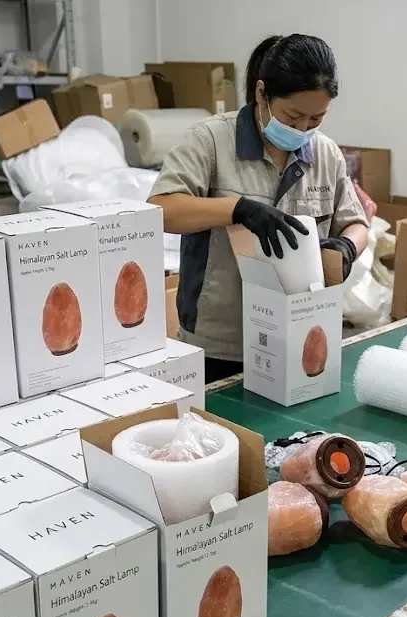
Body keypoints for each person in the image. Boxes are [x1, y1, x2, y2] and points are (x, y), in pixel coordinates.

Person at [148, 34, 369, 384]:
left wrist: (348, 246)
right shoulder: (210, 142)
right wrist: (237, 209)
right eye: (293, 116)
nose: (301, 129)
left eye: (316, 120)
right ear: (262, 94)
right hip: (221, 343)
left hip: (300, 333)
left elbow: (356, 224)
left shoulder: (326, 154)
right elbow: (161, 209)